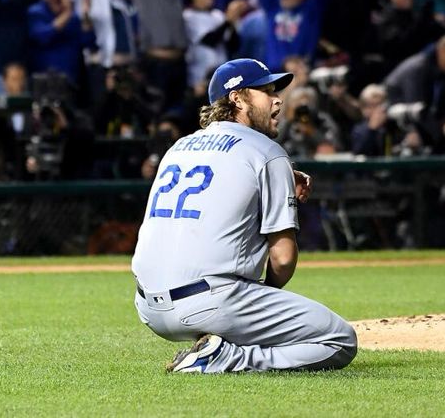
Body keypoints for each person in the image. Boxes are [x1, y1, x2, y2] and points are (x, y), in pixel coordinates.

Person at [131, 58, 357, 373]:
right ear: (237, 98)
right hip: (211, 303)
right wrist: (264, 296)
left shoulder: (178, 148)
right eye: (266, 91)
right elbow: (282, 259)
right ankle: (228, 359)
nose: (277, 99)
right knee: (340, 339)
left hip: (147, 307)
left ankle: (217, 347)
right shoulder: (267, 152)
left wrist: (280, 177)